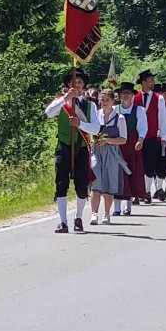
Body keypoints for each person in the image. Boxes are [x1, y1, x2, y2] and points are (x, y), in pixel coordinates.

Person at [45, 68, 101, 234]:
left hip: (82, 147)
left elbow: (96, 129)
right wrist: (65, 99)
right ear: (69, 84)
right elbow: (48, 113)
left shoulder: (89, 105)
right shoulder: (61, 102)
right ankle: (63, 222)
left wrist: (80, 124)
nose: (77, 84)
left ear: (83, 85)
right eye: (74, 81)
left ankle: (78, 218)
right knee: (61, 183)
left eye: (80, 82)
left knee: (81, 185)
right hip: (64, 146)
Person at [89, 89, 128, 225]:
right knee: (95, 181)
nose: (104, 103)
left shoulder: (119, 118)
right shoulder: (95, 115)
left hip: (111, 153)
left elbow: (123, 139)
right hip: (96, 152)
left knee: (109, 183)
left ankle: (106, 213)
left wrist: (108, 141)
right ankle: (94, 213)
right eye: (102, 100)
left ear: (113, 101)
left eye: (107, 100)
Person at [134, 69, 166, 203]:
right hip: (137, 137)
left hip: (152, 137)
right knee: (137, 166)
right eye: (150, 81)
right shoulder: (135, 97)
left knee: (149, 166)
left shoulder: (158, 98)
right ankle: (138, 192)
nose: (152, 83)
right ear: (143, 82)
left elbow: (163, 118)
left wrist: (164, 137)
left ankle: (147, 191)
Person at [112, 82, 147, 217]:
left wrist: (140, 140)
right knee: (117, 174)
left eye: (128, 93)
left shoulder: (139, 110)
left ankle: (128, 206)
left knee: (131, 172)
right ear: (119, 95)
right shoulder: (115, 110)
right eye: (123, 93)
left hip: (132, 143)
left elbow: (143, 127)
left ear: (133, 95)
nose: (126, 96)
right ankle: (116, 207)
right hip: (117, 143)